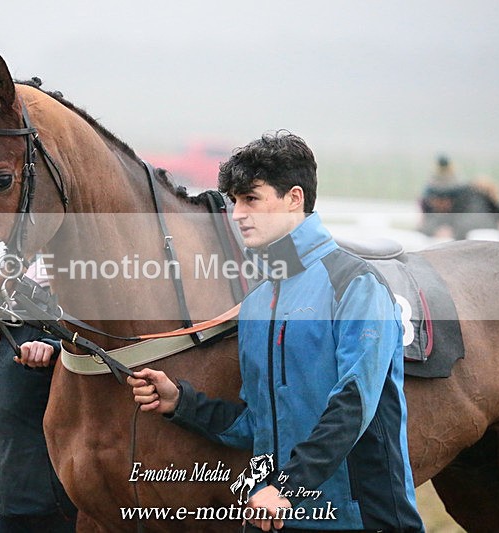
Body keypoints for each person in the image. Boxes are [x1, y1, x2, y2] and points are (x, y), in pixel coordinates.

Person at [128, 131, 424, 532]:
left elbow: (354, 404)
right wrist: (182, 403)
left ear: (294, 198)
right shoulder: (257, 302)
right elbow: (258, 424)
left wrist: (287, 487)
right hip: (274, 518)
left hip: (362, 519)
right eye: (234, 201)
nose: (237, 214)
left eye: (251, 199)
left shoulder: (356, 284)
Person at [0, 262, 77, 533]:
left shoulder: (60, 286)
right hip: (11, 495)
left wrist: (54, 350)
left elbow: (93, 346)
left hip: (58, 506)